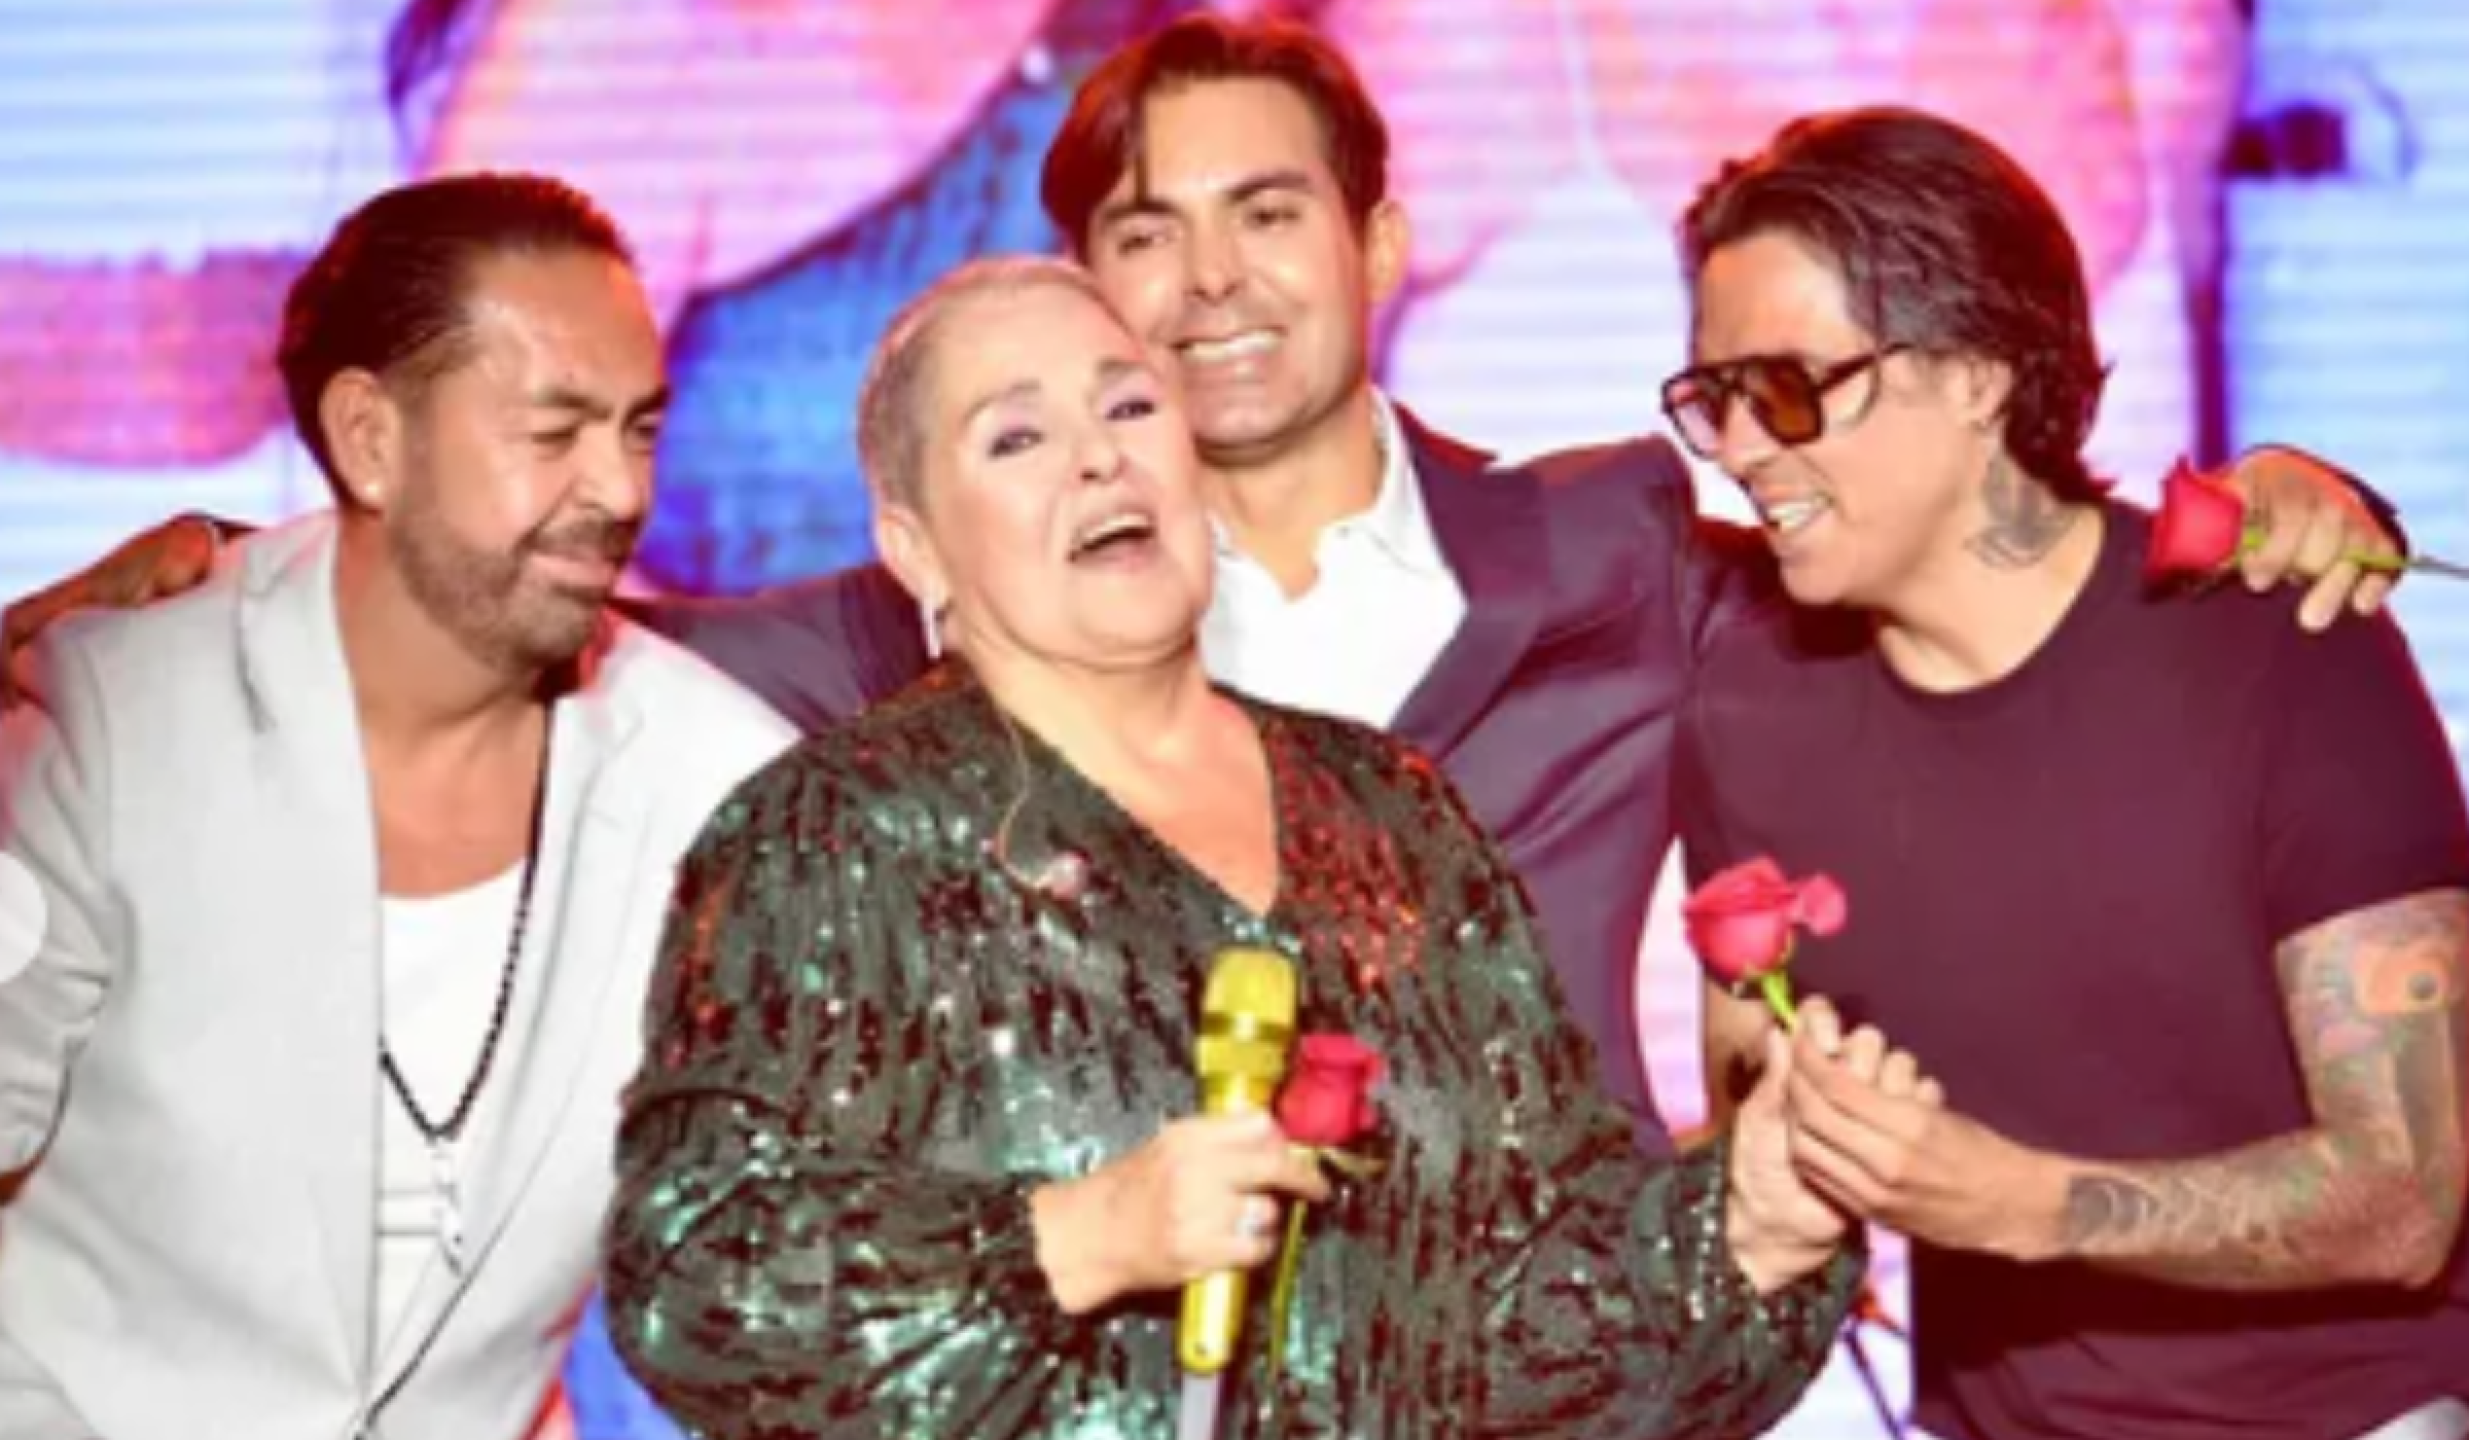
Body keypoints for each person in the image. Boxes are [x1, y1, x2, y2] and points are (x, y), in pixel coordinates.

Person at [0, 13, 2405, 1166]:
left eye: (1270, 212)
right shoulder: (917, 628)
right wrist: (222, 568)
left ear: (1383, 235)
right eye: (1143, 234)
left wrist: (2238, 507)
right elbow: (527, 627)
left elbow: (1940, 542)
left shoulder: (1609, 554)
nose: (1212, 281)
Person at [602, 253, 1876, 1439]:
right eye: (1018, 437)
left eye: (1130, 409)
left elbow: (1523, 1312)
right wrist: (1079, 1238)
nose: (1099, 463)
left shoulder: (1387, 805)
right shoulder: (835, 836)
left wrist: (1749, 1225)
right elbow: (699, 1278)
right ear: (914, 547)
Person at [1674, 106, 2468, 1439]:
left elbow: (2407, 1196)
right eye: (1714, 399)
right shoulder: (1748, 703)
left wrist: (2018, 1203)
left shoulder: (2281, 641)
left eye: (1789, 388)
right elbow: (1752, 1130)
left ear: (1977, 369)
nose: (1746, 446)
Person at [0, 174, 793, 1439]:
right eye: (556, 430)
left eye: (640, 430)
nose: (620, 490)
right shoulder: (111, 723)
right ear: (371, 438)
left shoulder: (716, 782)